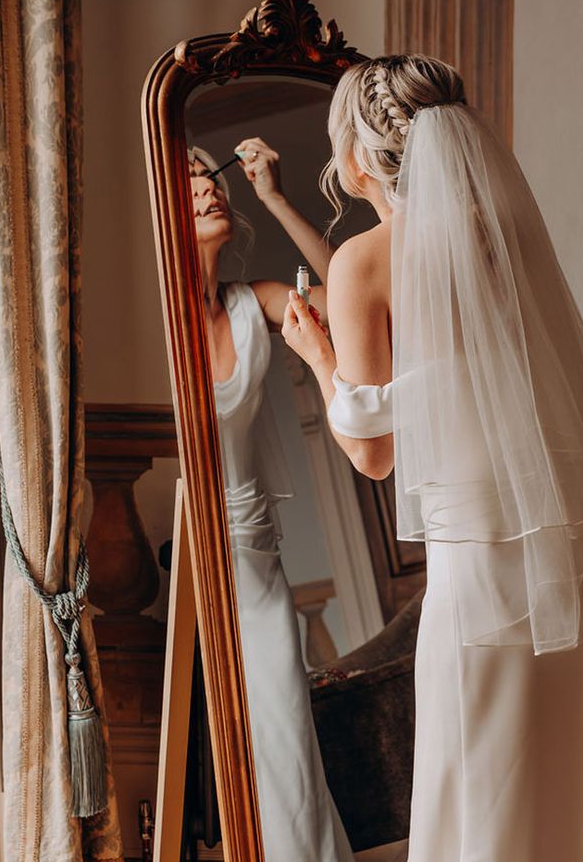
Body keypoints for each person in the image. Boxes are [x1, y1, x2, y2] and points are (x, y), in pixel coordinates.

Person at [281, 55, 583, 861]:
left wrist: (315, 355)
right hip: (562, 548)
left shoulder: (363, 259)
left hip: (476, 565)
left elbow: (372, 454)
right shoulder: (510, 236)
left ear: (361, 157)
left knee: (483, 758)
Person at [190, 142, 353, 862]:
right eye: (187, 179)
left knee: (289, 753)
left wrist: (278, 198)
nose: (207, 187)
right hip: (189, 573)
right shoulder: (154, 324)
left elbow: (347, 299)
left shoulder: (253, 304)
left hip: (258, 566)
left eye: (209, 175)